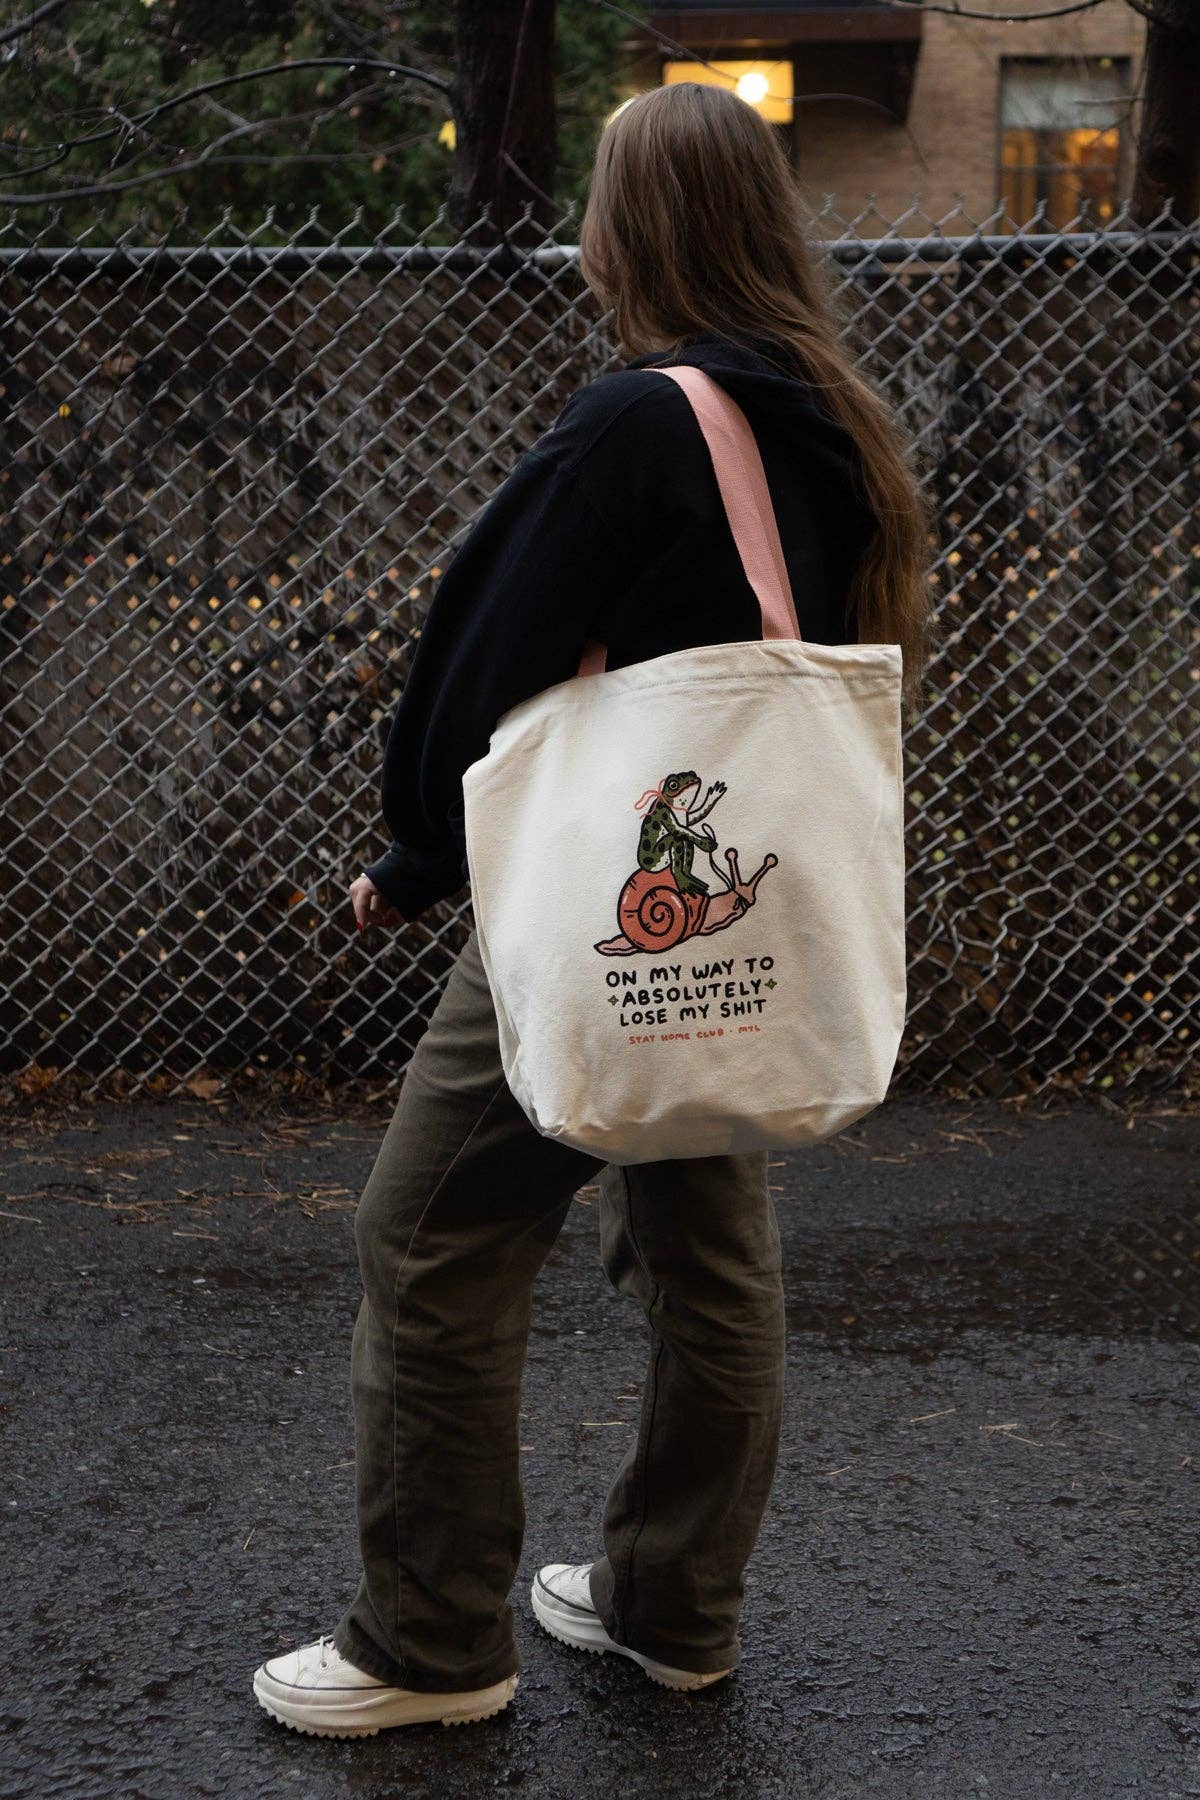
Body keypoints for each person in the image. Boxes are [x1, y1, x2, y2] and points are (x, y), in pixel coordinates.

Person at [252, 80, 933, 1737]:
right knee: (705, 1250)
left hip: (603, 917)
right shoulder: (835, 413)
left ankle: (428, 1646)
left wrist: (414, 855)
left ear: (627, 226)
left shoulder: (643, 417)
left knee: (429, 1239)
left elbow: (483, 652)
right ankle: (670, 1609)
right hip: (744, 917)